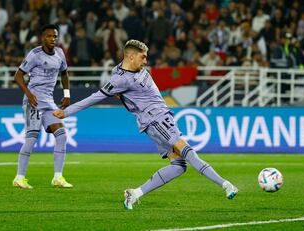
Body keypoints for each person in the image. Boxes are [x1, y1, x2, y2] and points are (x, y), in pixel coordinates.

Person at [53, 40, 238, 209]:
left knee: (179, 166)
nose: (145, 61)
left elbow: (123, 94)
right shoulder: (120, 78)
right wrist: (66, 112)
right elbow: (96, 97)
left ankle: (134, 194)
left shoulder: (128, 71)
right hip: (155, 119)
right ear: (130, 56)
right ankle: (226, 185)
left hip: (161, 118)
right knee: (188, 151)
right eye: (143, 57)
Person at [12, 24, 73, 189]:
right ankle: (19, 177)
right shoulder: (35, 54)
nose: (52, 39)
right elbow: (18, 75)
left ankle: (58, 177)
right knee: (31, 138)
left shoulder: (60, 53)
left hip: (49, 102)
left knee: (61, 135)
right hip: (34, 101)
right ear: (42, 38)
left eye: (54, 36)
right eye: (49, 36)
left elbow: (64, 73)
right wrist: (29, 94)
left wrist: (67, 95)